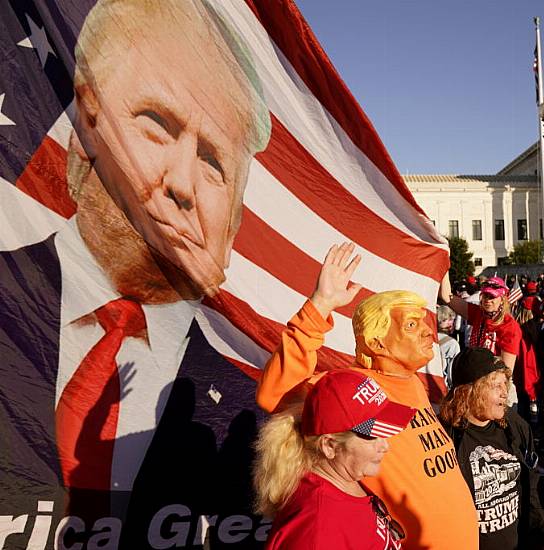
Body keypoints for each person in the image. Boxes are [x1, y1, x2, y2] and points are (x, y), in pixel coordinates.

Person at [0, 0, 272, 538]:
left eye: (214, 162)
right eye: (154, 125)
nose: (179, 183)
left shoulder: (251, 395)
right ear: (83, 135)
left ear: (235, 222)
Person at [257, 243, 478, 550]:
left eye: (424, 323)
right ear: (377, 343)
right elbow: (274, 394)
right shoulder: (356, 388)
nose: (429, 332)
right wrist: (320, 305)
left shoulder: (412, 381)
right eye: (412, 325)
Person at [255, 369, 414, 549]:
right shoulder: (317, 530)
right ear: (329, 446)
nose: (386, 446)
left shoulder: (344, 482)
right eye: (372, 437)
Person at [439, 348, 544, 550]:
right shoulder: (445, 439)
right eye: (495, 385)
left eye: (505, 384)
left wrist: (543, 529)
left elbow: (529, 487)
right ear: (470, 390)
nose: (505, 393)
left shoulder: (516, 427)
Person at [447, 276, 523, 407]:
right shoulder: (478, 314)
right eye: (485, 296)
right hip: (476, 388)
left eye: (492, 297)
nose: (488, 300)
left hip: (497, 391)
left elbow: (506, 372)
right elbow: (447, 297)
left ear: (502, 299)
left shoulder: (509, 326)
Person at [437, 305, 461, 389]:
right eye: (449, 319)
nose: (452, 323)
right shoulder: (452, 344)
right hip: (441, 387)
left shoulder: (427, 338)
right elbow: (452, 373)